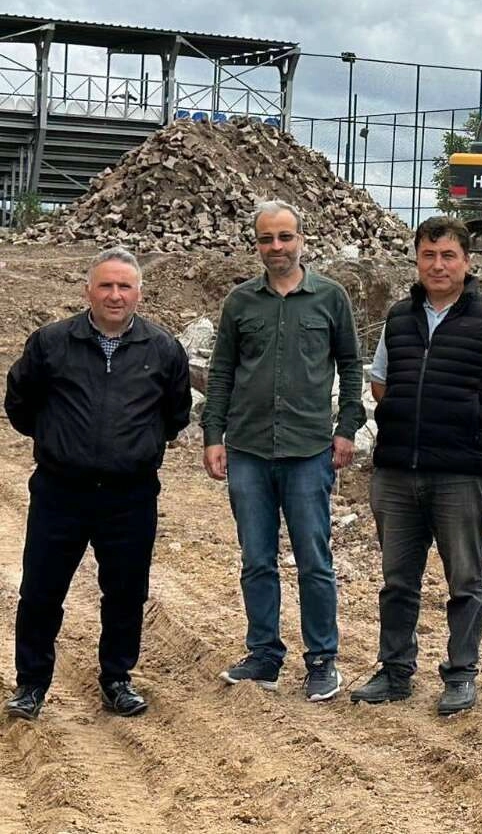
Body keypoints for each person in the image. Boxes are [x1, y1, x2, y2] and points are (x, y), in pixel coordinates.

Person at [4, 247, 191, 720]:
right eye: (105, 285)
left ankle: (117, 679)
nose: (114, 295)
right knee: (42, 590)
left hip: (130, 495)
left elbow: (175, 414)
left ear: (139, 294)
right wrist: (58, 441)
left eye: (124, 286)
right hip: (60, 490)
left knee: (126, 592)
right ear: (88, 290)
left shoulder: (163, 349)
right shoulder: (52, 342)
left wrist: (137, 449)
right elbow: (20, 403)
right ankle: (31, 685)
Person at [349, 216, 482, 714]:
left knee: (464, 580)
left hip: (461, 473)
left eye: (448, 255)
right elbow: (380, 383)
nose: (438, 265)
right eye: (429, 255)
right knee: (397, 581)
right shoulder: (399, 317)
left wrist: (474, 425)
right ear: (417, 260)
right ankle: (395, 670)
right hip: (397, 470)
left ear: (466, 261)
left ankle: (461, 673)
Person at [202, 200, 365, 703]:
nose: (276, 247)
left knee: (314, 559)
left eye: (285, 237)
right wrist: (213, 434)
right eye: (267, 239)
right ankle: (264, 655)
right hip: (248, 449)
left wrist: (346, 428)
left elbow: (351, 365)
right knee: (256, 558)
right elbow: (222, 371)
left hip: (309, 450)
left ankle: (322, 660)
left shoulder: (330, 298)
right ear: (257, 244)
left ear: (301, 240)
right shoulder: (240, 303)